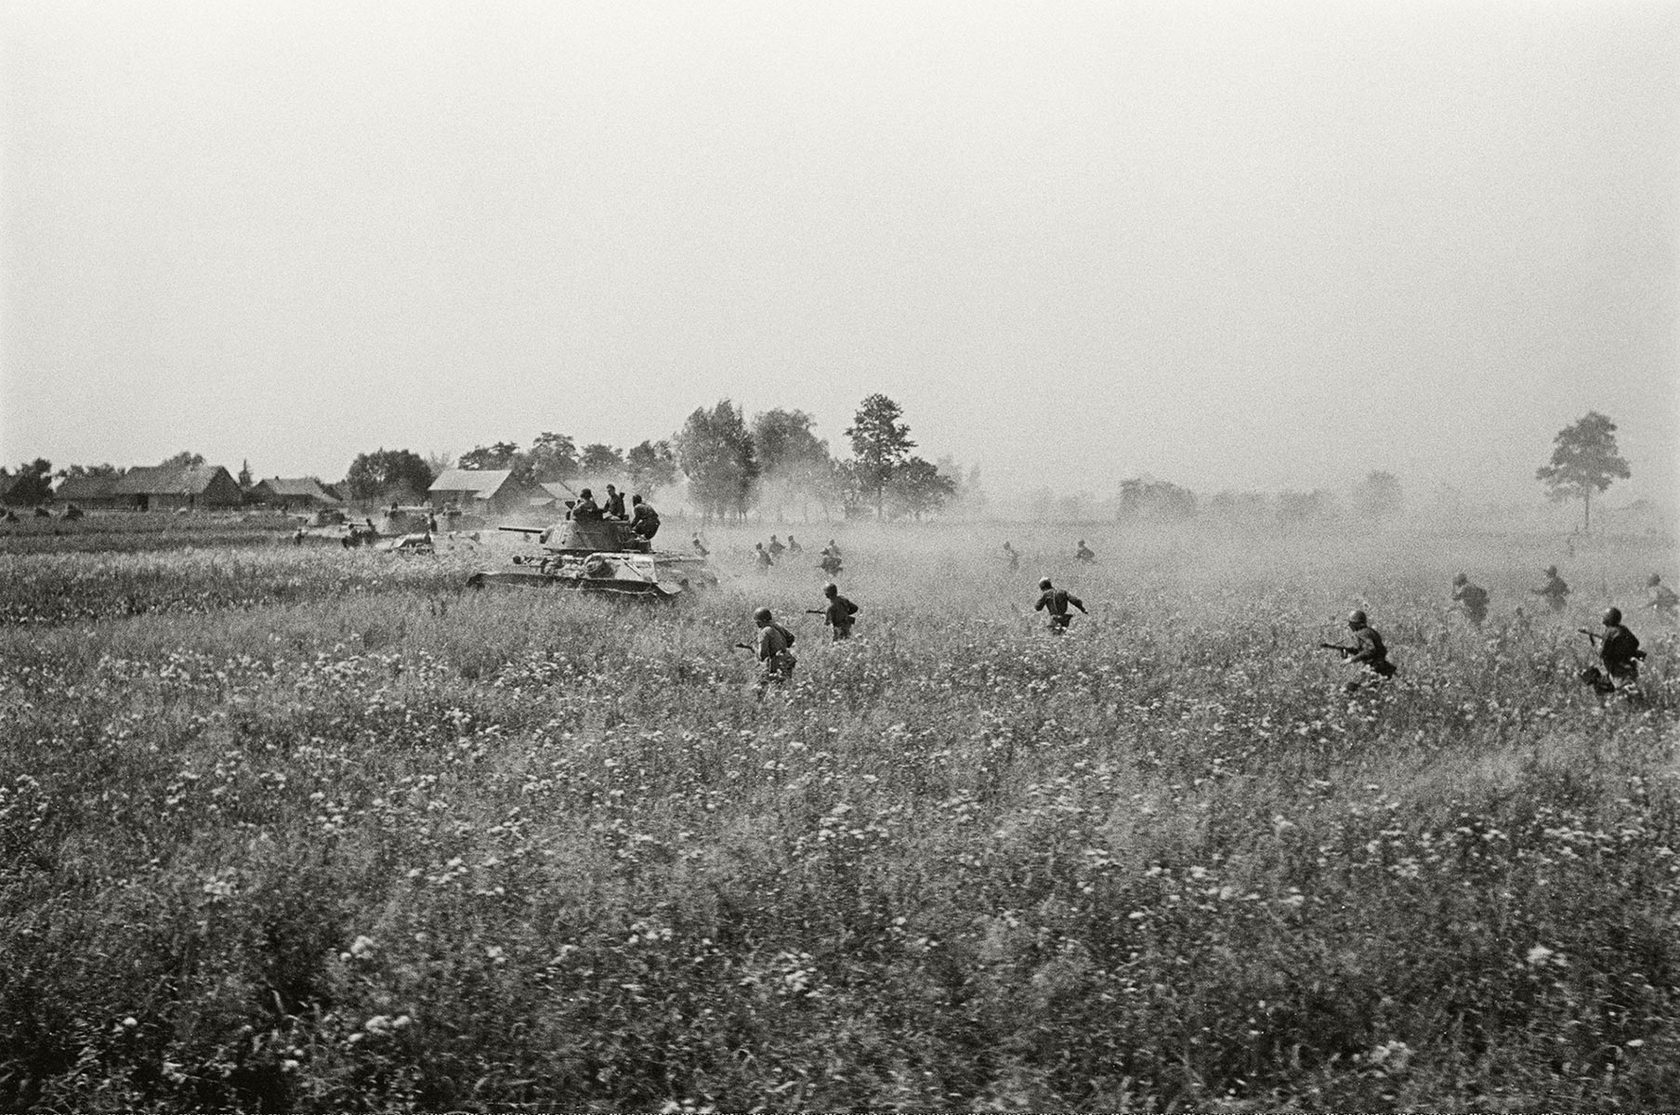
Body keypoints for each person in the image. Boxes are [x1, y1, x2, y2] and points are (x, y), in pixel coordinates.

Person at [1582, 607, 1645, 696]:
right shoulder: (1623, 629)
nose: (1603, 617)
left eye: (1605, 616)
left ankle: (1605, 702)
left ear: (1609, 618)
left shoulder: (1610, 632)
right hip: (1630, 667)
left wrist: (1592, 639)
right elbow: (1635, 643)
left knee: (1589, 675)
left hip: (1618, 672)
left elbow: (1601, 654)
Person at [1333, 610, 1397, 689]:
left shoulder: (1362, 633)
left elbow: (1371, 650)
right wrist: (1348, 650)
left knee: (1356, 688)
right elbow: (1364, 650)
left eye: (1351, 623)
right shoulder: (1369, 631)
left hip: (1375, 667)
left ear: (1356, 624)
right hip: (1381, 665)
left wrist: (1351, 659)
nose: (1349, 625)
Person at [750, 606, 797, 693]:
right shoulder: (777, 625)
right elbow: (791, 638)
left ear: (760, 622)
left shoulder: (764, 632)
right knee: (784, 690)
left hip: (777, 664)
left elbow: (762, 656)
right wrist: (782, 648)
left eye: (757, 622)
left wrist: (752, 649)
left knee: (760, 689)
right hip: (788, 659)